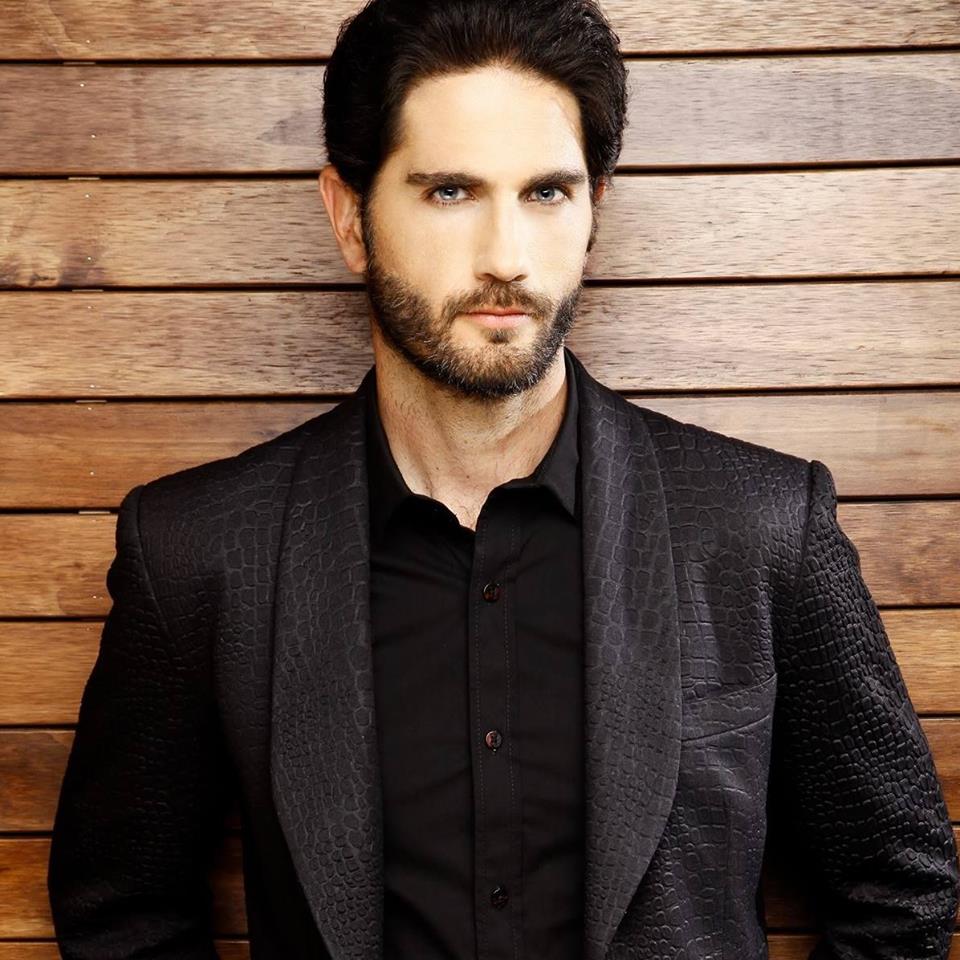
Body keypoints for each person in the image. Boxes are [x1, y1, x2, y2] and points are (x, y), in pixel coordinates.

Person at [48, 0, 959, 957]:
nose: (506, 260)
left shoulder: (762, 526)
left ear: (594, 210)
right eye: (450, 191)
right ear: (350, 217)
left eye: (547, 193)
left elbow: (898, 890)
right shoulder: (197, 553)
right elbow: (122, 914)